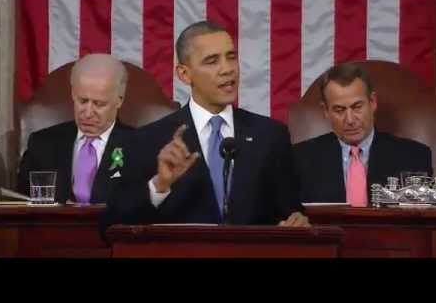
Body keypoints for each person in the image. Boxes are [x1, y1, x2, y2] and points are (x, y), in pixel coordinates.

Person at [104, 21, 309, 229]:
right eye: (212, 61)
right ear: (184, 74)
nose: (227, 69)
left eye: (231, 57)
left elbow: (290, 213)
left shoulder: (271, 136)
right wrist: (159, 185)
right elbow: (111, 226)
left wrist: (297, 222)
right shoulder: (149, 140)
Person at [293, 63, 433, 206]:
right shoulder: (299, 159)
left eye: (357, 107)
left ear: (372, 102)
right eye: (339, 110)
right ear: (326, 111)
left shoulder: (414, 157)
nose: (350, 120)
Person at [17, 54, 133, 204]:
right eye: (83, 101)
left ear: (119, 100)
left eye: (99, 104)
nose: (88, 112)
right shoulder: (42, 144)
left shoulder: (137, 146)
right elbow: (19, 203)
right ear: (73, 94)